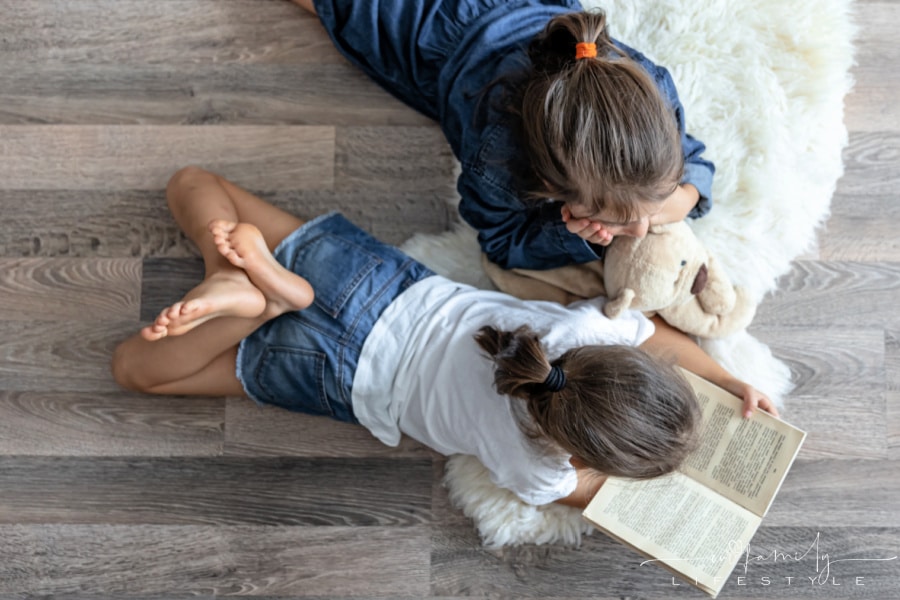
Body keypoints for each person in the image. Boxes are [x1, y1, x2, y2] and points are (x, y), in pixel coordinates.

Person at [111, 167, 777, 509]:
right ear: (580, 454)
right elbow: (587, 496)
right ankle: (249, 309)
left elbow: (656, 336)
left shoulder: (578, 328)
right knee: (137, 371)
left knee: (194, 185)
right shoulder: (540, 470)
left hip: (374, 283)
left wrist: (726, 380)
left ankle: (236, 273)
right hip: (343, 374)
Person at [289, 0, 714, 271]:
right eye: (613, 221)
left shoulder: (652, 89)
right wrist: (567, 236)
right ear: (548, 185)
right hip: (421, 28)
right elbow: (501, 242)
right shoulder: (497, 163)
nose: (639, 232)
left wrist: (676, 200)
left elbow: (695, 161)